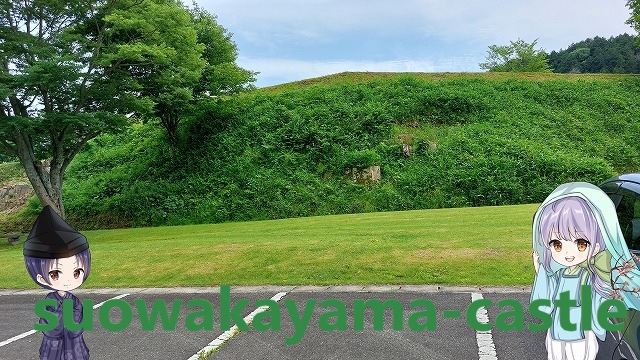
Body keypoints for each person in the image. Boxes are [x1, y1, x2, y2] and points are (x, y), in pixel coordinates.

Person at [531, 182, 640, 360]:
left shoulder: (590, 276)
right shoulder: (558, 274)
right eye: (557, 244)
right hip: (556, 333)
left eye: (581, 244)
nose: (567, 253)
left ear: (597, 244)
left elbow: (601, 298)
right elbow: (545, 300)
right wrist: (540, 271)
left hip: (581, 335)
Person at [24, 206, 91, 360]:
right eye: (55, 273)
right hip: (54, 353)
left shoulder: (74, 301)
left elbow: (78, 327)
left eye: (76, 272)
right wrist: (68, 317)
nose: (68, 280)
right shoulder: (49, 303)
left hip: (76, 351)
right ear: (41, 278)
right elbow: (51, 329)